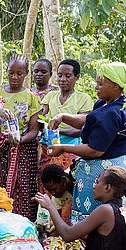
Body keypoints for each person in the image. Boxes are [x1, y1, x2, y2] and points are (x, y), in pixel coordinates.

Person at [48, 62, 126, 223]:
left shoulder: (112, 113)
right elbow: (89, 120)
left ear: (116, 86)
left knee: (97, 222)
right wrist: (64, 117)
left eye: (100, 84)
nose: (96, 87)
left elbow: (96, 150)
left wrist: (62, 147)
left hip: (104, 172)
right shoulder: (114, 103)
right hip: (120, 166)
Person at [0, 54, 43, 222]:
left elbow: (34, 130)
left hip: (23, 150)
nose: (14, 77)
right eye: (11, 72)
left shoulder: (32, 97)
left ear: (26, 73)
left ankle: (21, 226)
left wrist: (19, 140)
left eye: (19, 73)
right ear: (6, 71)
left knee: (22, 189)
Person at [38, 59, 93, 196]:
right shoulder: (50, 96)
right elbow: (41, 118)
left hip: (71, 149)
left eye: (68, 76)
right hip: (48, 148)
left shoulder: (84, 99)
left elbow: (81, 129)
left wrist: (58, 131)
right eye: (60, 75)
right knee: (47, 186)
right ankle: (47, 216)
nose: (63, 79)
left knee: (67, 187)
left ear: (77, 77)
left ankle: (66, 217)